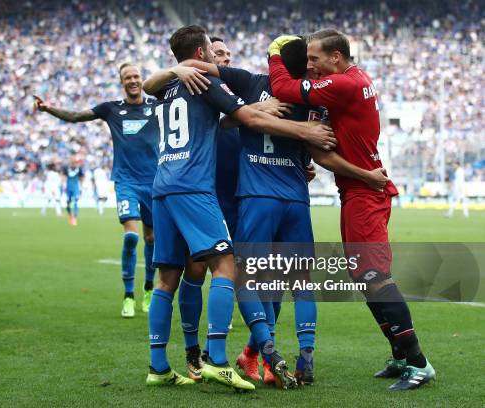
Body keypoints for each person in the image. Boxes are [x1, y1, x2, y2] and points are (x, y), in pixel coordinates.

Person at [160, 36, 389, 387]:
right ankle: (304, 354)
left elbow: (208, 81)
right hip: (296, 199)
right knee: (297, 284)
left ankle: (264, 350)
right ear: (305, 67)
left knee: (248, 279)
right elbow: (321, 151)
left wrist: (178, 70)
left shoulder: (250, 83)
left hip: (253, 197)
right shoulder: (313, 101)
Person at [143, 25, 336, 390]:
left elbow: (221, 114)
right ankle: (219, 359)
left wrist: (250, 105)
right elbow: (245, 118)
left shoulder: (169, 86)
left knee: (170, 277)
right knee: (229, 269)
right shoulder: (208, 83)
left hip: (167, 185)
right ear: (201, 54)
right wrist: (302, 133)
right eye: (213, 51)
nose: (221, 57)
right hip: (200, 187)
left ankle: (160, 364)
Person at [268, 30, 435, 391]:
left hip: (365, 192)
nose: (310, 65)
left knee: (375, 277)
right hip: (358, 192)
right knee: (366, 279)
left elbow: (283, 89)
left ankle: (419, 364)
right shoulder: (347, 84)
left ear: (337, 59)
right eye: (307, 59)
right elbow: (319, 147)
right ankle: (401, 355)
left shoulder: (342, 84)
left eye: (315, 59)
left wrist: (276, 55)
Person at [34, 63, 159, 317]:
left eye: (136, 76)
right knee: (131, 236)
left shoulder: (157, 107)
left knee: (152, 239)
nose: (133, 80)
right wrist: (48, 109)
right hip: (126, 182)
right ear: (121, 82)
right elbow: (76, 116)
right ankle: (127, 296)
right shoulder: (111, 109)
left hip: (155, 182)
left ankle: (148, 288)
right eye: (127, 77)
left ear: (142, 79)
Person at [64, 156, 84, 226]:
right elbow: (63, 177)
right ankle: (70, 215)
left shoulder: (79, 169)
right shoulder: (66, 168)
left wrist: (81, 187)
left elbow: (82, 177)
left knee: (75, 201)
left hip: (76, 187)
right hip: (68, 187)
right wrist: (63, 185)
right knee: (68, 202)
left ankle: (74, 218)